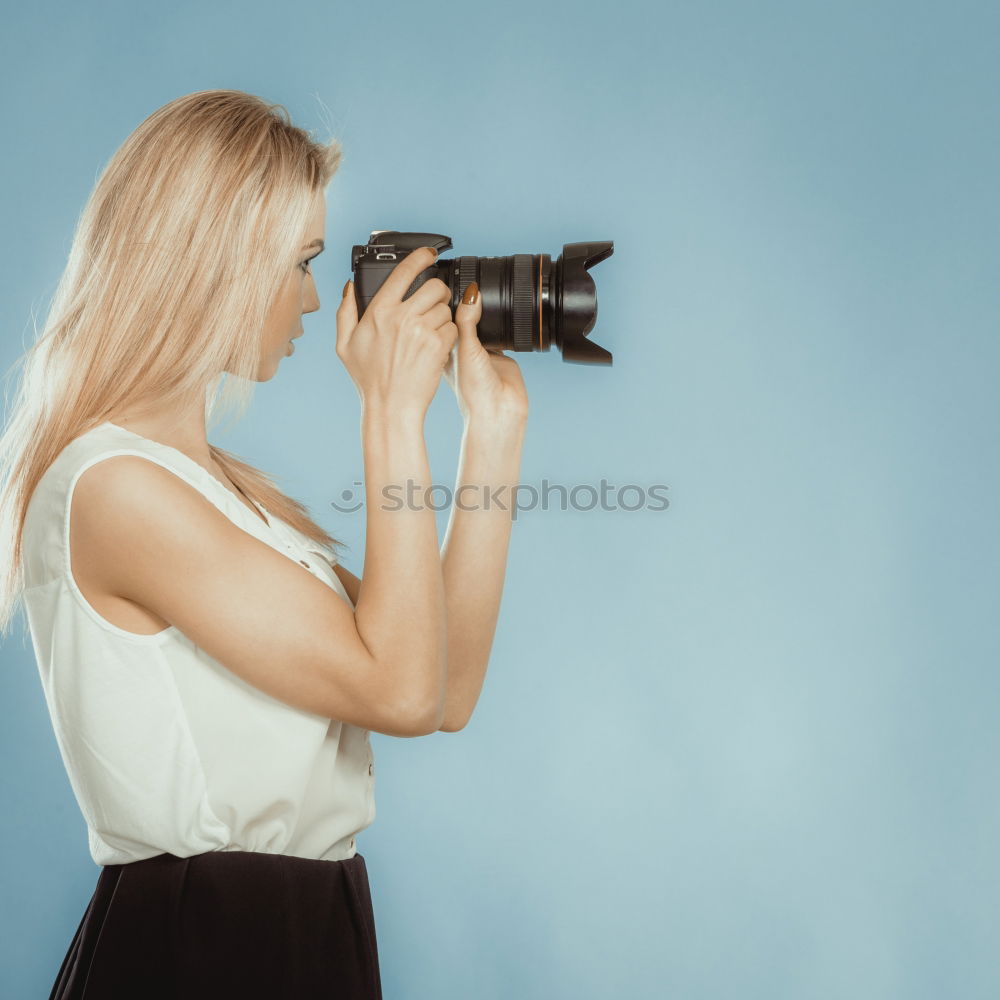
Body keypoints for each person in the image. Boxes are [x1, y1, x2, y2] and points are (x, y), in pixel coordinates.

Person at [0, 89, 528, 998]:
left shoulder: (222, 491)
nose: (316, 298)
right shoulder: (114, 487)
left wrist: (494, 432)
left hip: (308, 928)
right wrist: (391, 411)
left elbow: (442, 689)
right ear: (212, 266)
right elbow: (399, 694)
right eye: (300, 262)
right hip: (205, 944)